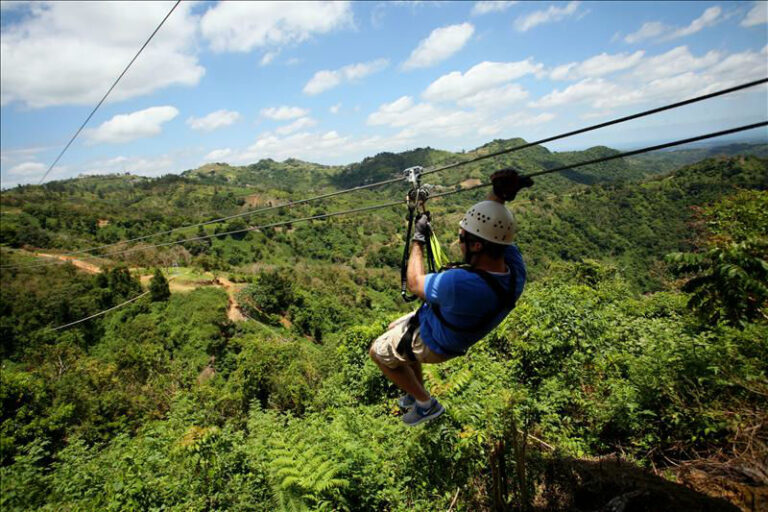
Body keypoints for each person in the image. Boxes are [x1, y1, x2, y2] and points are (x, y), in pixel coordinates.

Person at [369, 169, 532, 426]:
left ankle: (425, 404)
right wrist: (499, 196)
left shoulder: (460, 284)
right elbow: (494, 229)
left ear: (477, 246)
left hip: (436, 340)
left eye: (463, 239)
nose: (460, 242)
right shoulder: (514, 271)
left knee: (378, 353)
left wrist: (418, 240)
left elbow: (414, 283)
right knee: (394, 328)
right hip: (450, 326)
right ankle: (415, 392)